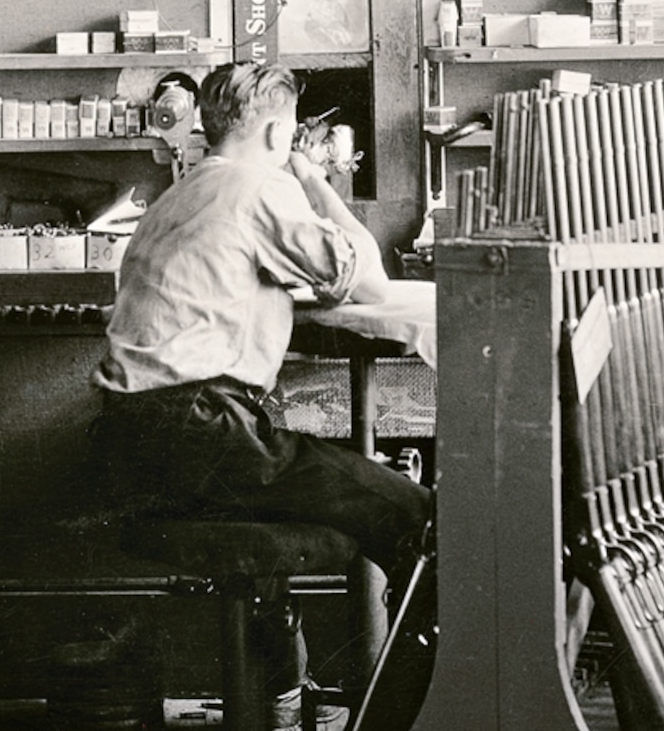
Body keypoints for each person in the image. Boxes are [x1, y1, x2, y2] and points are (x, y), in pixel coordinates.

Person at [87, 62, 430, 580]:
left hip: (129, 439)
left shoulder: (175, 197)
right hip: (199, 431)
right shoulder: (258, 185)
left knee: (360, 500)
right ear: (278, 131)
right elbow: (372, 284)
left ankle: (287, 658)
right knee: (417, 516)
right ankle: (441, 659)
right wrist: (313, 178)